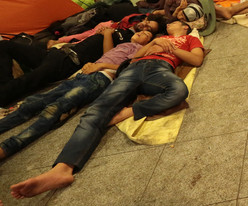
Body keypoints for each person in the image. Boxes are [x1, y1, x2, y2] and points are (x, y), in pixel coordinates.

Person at [10, 20, 204, 199]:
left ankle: (130, 111)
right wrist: (154, 44)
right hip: (132, 70)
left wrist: (171, 48)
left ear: (185, 27)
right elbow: (135, 57)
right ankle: (63, 168)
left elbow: (196, 60)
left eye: (174, 22)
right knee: (96, 111)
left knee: (179, 90)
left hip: (161, 69)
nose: (169, 24)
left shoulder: (190, 38)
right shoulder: (156, 38)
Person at [0, 29, 153, 160]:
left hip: (101, 77)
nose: (142, 31)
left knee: (55, 108)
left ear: (149, 42)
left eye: (147, 33)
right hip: (83, 74)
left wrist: (102, 65)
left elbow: (131, 67)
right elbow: (108, 53)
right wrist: (107, 36)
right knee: (34, 101)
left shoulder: (140, 50)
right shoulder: (124, 44)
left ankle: (8, 147)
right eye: (142, 30)